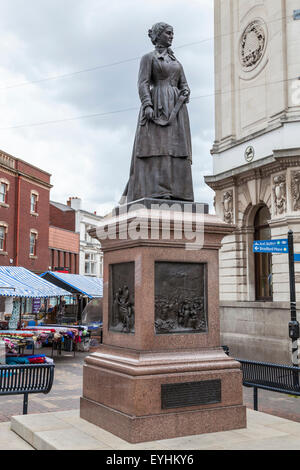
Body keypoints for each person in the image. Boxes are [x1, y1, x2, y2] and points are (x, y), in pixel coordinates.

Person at [122, 22, 194, 203]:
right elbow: (143, 83)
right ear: (158, 35)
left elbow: (183, 84)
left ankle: (178, 191)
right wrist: (147, 104)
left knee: (175, 148)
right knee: (156, 147)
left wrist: (185, 92)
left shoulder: (176, 62)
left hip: (176, 111)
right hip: (157, 104)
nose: (171, 36)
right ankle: (155, 189)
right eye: (168, 33)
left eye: (172, 33)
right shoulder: (149, 58)